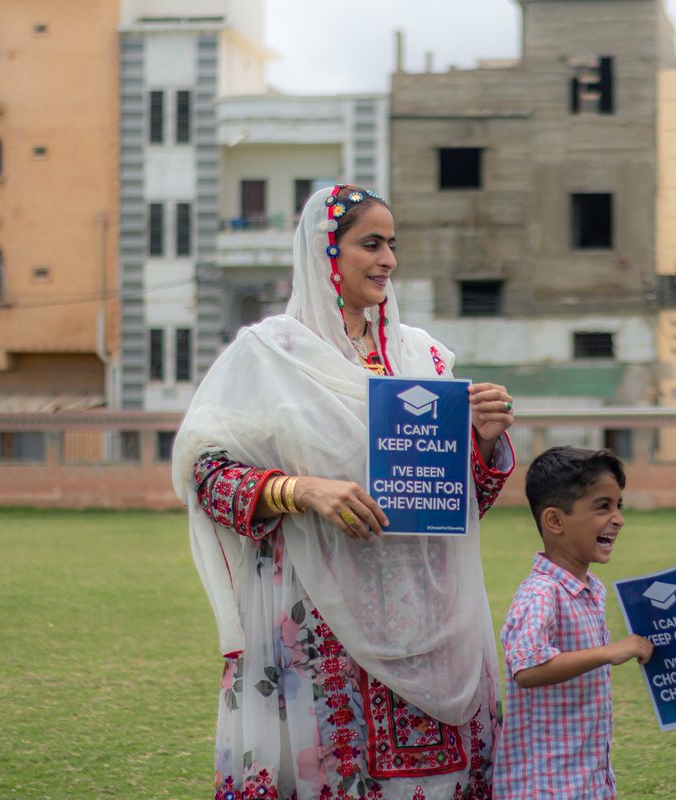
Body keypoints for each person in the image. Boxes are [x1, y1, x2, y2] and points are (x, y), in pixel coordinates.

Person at [171, 184, 517, 800]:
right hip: (318, 614)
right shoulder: (270, 356)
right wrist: (299, 489)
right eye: (371, 244)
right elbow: (207, 475)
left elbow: (455, 507)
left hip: (429, 614)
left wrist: (482, 446)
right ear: (324, 251)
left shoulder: (425, 360)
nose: (388, 259)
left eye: (392, 245)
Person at [492, 446, 654, 799]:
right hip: (544, 785)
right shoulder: (541, 593)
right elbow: (529, 668)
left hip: (586, 780)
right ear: (555, 521)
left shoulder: (591, 588)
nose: (618, 519)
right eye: (603, 506)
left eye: (618, 506)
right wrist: (608, 652)